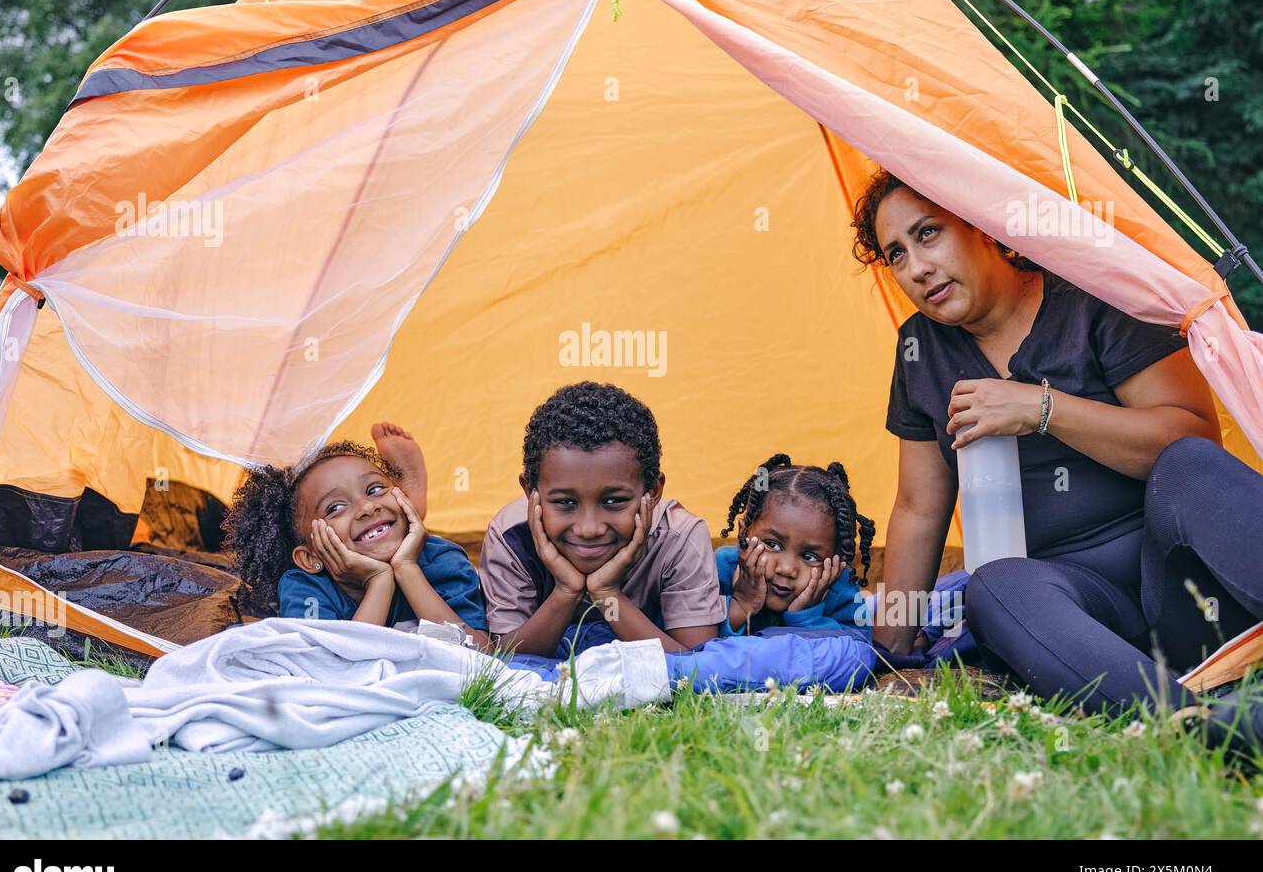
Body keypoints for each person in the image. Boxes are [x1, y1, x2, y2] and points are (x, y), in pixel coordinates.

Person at [852, 168, 1263, 748]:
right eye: (895, 254)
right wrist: (888, 651)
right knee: (992, 586)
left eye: (928, 234)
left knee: (1188, 462)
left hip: (1181, 585)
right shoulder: (921, 349)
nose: (915, 268)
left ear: (979, 222)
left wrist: (1041, 409)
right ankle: (1196, 728)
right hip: (1078, 613)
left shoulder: (1090, 297)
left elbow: (1191, 440)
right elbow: (919, 508)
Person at [478, 381, 725, 657]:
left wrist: (606, 593)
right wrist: (566, 590)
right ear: (530, 492)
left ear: (653, 492)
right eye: (565, 502)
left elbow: (696, 665)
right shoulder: (511, 538)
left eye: (613, 501)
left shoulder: (679, 539)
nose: (589, 529)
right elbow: (505, 661)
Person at [223, 439, 488, 647]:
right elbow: (333, 667)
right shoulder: (305, 587)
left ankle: (411, 512)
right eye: (336, 507)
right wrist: (379, 580)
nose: (366, 507)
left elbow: (475, 652)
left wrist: (407, 568)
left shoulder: (443, 560)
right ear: (310, 557)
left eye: (374, 490)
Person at [715, 454, 872, 639]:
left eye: (810, 557)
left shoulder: (839, 588)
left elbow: (858, 647)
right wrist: (740, 605)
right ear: (743, 534)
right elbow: (692, 640)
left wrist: (807, 617)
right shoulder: (721, 570)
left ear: (838, 561)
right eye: (772, 545)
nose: (787, 569)